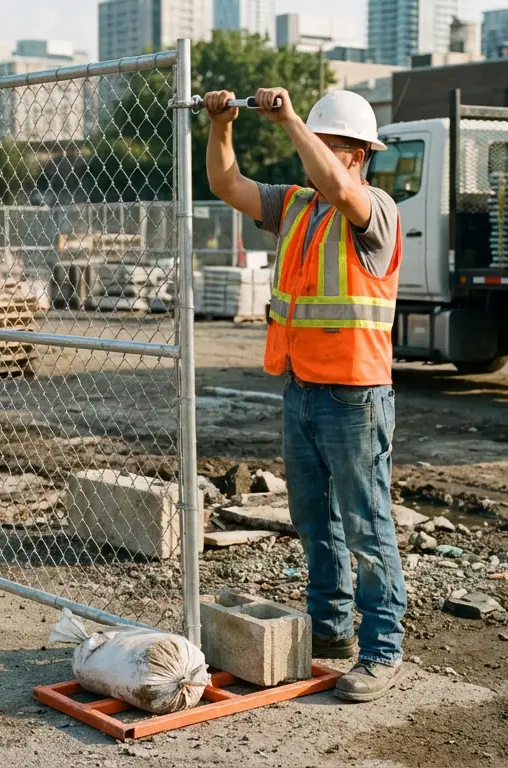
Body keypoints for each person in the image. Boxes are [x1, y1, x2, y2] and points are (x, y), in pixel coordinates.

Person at [202, 87, 406, 702]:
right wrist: (221, 126)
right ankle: (332, 633)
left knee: (367, 528)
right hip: (302, 389)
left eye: (326, 146)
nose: (311, 158)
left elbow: (343, 194)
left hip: (356, 396)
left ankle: (382, 650)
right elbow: (228, 185)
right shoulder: (295, 206)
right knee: (314, 521)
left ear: (358, 156)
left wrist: (291, 119)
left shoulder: (374, 208)